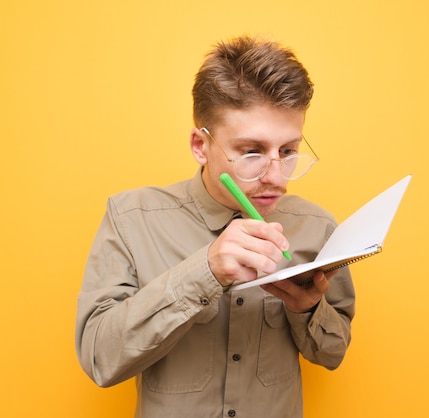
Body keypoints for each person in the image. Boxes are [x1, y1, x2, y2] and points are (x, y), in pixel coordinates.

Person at [76, 35, 356, 418]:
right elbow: (99, 360)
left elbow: (332, 354)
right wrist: (203, 271)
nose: (277, 177)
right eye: (252, 151)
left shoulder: (317, 228)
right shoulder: (130, 218)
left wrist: (308, 308)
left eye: (288, 151)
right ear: (199, 145)